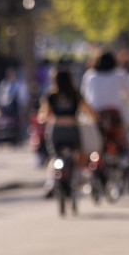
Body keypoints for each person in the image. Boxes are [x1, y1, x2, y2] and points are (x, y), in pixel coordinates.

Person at [39, 67, 98, 195]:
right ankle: (83, 178)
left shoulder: (50, 95)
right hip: (73, 130)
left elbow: (43, 115)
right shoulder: (75, 94)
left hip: (56, 131)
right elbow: (89, 111)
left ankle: (51, 183)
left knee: (55, 156)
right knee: (78, 153)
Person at [81, 52, 129, 163]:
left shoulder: (90, 75)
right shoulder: (120, 74)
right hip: (114, 115)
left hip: (97, 115)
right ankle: (126, 160)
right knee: (122, 140)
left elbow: (84, 96)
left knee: (98, 143)